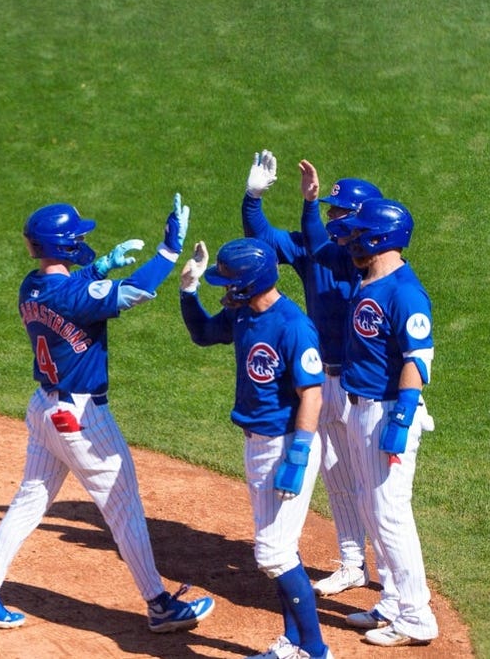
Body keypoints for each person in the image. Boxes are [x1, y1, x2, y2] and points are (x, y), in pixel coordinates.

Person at [0, 195, 217, 634]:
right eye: (78, 237)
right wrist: (168, 251)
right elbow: (137, 290)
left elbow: (73, 290)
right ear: (62, 245)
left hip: (45, 409)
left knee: (29, 501)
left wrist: (100, 267)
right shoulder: (76, 298)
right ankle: (159, 604)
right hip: (82, 420)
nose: (85, 241)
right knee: (124, 508)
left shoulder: (32, 286)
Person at [179, 237, 333, 659]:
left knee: (272, 553)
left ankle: (317, 650)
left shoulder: (293, 326)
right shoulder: (243, 314)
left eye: (230, 282)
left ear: (252, 281)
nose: (224, 289)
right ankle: (293, 643)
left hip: (287, 447)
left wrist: (297, 457)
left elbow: (313, 396)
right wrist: (188, 291)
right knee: (283, 549)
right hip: (257, 447)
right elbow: (204, 334)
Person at [241, 149, 383, 596]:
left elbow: (325, 242)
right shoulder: (312, 251)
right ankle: (352, 564)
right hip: (322, 383)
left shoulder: (372, 262)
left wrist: (309, 210)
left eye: (341, 211)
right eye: (330, 210)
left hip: (365, 389)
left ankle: (396, 582)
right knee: (339, 480)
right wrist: (252, 198)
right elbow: (259, 241)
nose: (334, 217)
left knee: (374, 487)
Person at [317, 198, 439, 646]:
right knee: (372, 510)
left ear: (378, 239)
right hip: (361, 410)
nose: (348, 239)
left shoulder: (405, 292)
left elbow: (419, 360)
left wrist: (401, 419)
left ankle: (416, 617)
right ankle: (393, 600)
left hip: (388, 413)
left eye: (356, 234)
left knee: (390, 516)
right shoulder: (371, 278)